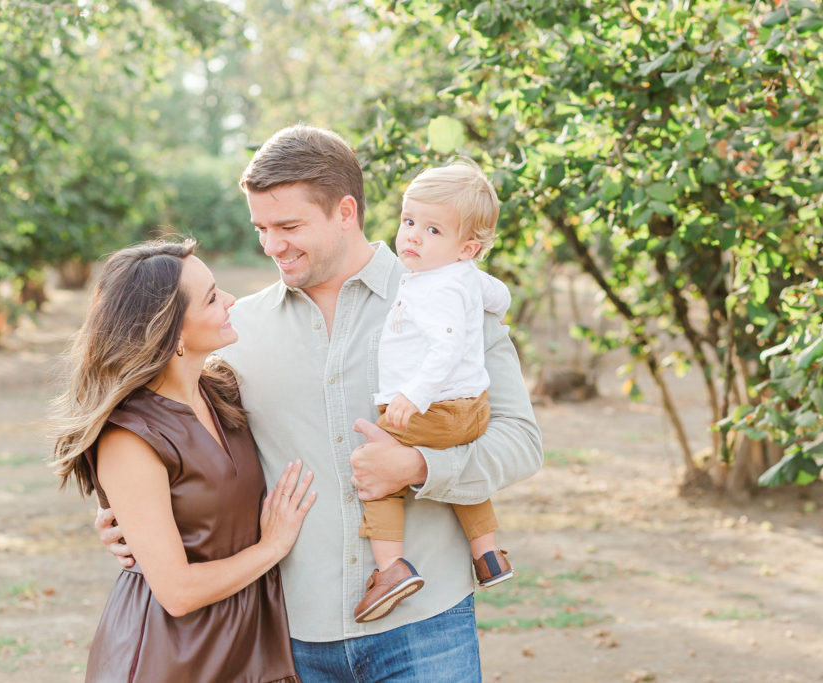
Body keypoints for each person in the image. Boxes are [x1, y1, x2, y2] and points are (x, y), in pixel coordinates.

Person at [97, 124, 543, 682]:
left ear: (345, 212)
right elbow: (186, 441)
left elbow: (521, 442)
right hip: (292, 637)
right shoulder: (239, 332)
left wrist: (421, 467)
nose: (270, 245)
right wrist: (132, 522)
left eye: (289, 226)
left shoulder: (453, 299)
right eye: (260, 227)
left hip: (427, 628)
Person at [52, 239, 316, 682]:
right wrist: (272, 546)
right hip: (173, 655)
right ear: (172, 333)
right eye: (213, 297)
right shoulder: (130, 436)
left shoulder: (223, 393)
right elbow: (176, 592)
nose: (231, 300)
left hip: (250, 645)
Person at [353, 161, 516, 624]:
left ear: (466, 246)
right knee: (464, 482)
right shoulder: (466, 275)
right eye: (408, 222)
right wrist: (495, 314)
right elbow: (499, 296)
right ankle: (488, 556)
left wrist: (412, 396)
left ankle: (390, 570)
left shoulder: (433, 288)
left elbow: (444, 346)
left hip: (433, 408)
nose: (413, 238)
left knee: (378, 476)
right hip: (471, 410)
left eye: (431, 229)